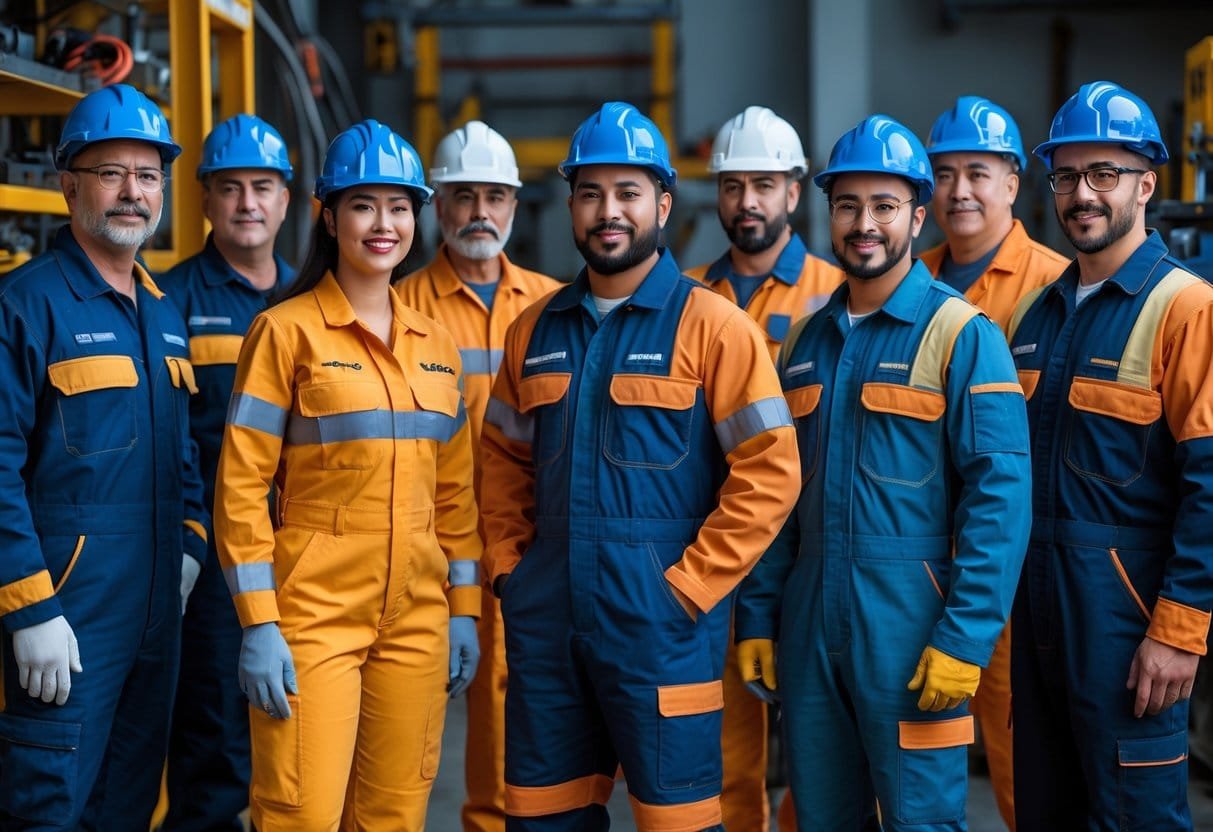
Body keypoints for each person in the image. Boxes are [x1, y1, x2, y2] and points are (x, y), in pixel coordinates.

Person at [479, 101, 800, 831]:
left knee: (677, 820)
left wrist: (690, 589)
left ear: (661, 203)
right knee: (541, 817)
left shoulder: (715, 327)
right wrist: (511, 568)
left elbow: (769, 471)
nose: (607, 211)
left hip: (662, 629)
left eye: (627, 193)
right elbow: (499, 460)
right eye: (590, 194)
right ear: (569, 206)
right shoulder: (534, 330)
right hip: (547, 620)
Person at [736, 114, 1032, 831]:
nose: (862, 224)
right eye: (847, 206)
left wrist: (964, 638)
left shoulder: (961, 333)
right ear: (828, 213)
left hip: (910, 626)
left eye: (883, 207)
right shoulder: (805, 342)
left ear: (916, 214)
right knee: (821, 818)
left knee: (920, 821)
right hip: (809, 626)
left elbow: (1000, 499)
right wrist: (758, 615)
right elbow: (777, 494)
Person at [213, 119, 482, 831]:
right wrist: (259, 625)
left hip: (417, 616)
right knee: (301, 813)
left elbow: (454, 496)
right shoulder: (284, 333)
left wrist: (463, 611)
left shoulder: (438, 347)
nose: (383, 223)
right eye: (363, 205)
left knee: (393, 814)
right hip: (313, 612)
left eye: (398, 207)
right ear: (329, 217)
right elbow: (240, 489)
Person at [0, 83, 208, 829]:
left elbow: (182, 455)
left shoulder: (162, 312)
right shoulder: (25, 305)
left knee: (127, 803)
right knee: (49, 803)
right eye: (111, 173)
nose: (132, 193)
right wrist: (30, 609)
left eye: (148, 175)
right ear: (67, 185)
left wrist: (190, 541)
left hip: (156, 614)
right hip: (70, 613)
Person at [1007, 80, 1213, 831]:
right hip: (1034, 620)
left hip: (1126, 627)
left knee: (1134, 815)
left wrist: (1177, 632)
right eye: (1066, 176)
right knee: (1045, 811)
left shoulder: (1187, 309)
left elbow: (1212, 486)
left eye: (1104, 175)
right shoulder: (1036, 318)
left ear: (1146, 185)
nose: (1081, 195)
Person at [397, 119, 560, 832]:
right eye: (463, 196)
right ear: (437, 205)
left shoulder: (556, 306)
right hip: (423, 545)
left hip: (524, 541)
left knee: (515, 703)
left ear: (515, 208)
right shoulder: (397, 306)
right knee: (405, 716)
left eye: (494, 197)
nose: (479, 214)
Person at [685, 104, 842, 832]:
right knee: (721, 765)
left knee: (826, 763)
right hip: (708, 551)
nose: (747, 201)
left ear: (794, 189)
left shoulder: (837, 295)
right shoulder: (677, 297)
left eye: (765, 184)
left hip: (813, 557)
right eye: (732, 184)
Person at [919, 95, 1068, 830]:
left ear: (1013, 183)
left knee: (1027, 785)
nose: (959, 191)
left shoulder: (1056, 289)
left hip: (1016, 584)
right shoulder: (902, 284)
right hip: (910, 575)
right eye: (943, 174)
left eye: (976, 172)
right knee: (902, 777)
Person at [160, 113, 295, 832]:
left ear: (287, 199)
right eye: (230, 188)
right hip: (211, 560)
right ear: (205, 200)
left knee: (300, 733)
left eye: (262, 187)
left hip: (306, 556)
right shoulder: (169, 304)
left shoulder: (315, 300)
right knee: (213, 740)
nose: (247, 203)